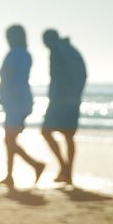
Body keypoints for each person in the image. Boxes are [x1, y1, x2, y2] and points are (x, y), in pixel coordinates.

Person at [0, 24, 45, 188]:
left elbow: (6, 76)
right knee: (10, 139)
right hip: (22, 98)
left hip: (15, 100)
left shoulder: (13, 54)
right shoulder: (26, 54)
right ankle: (12, 174)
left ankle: (32, 166)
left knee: (9, 139)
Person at [40, 29, 87, 185]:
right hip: (73, 99)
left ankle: (64, 168)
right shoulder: (71, 50)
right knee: (68, 136)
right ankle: (68, 173)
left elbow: (56, 75)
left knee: (46, 131)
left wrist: (54, 98)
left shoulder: (56, 50)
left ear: (48, 39)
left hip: (60, 100)